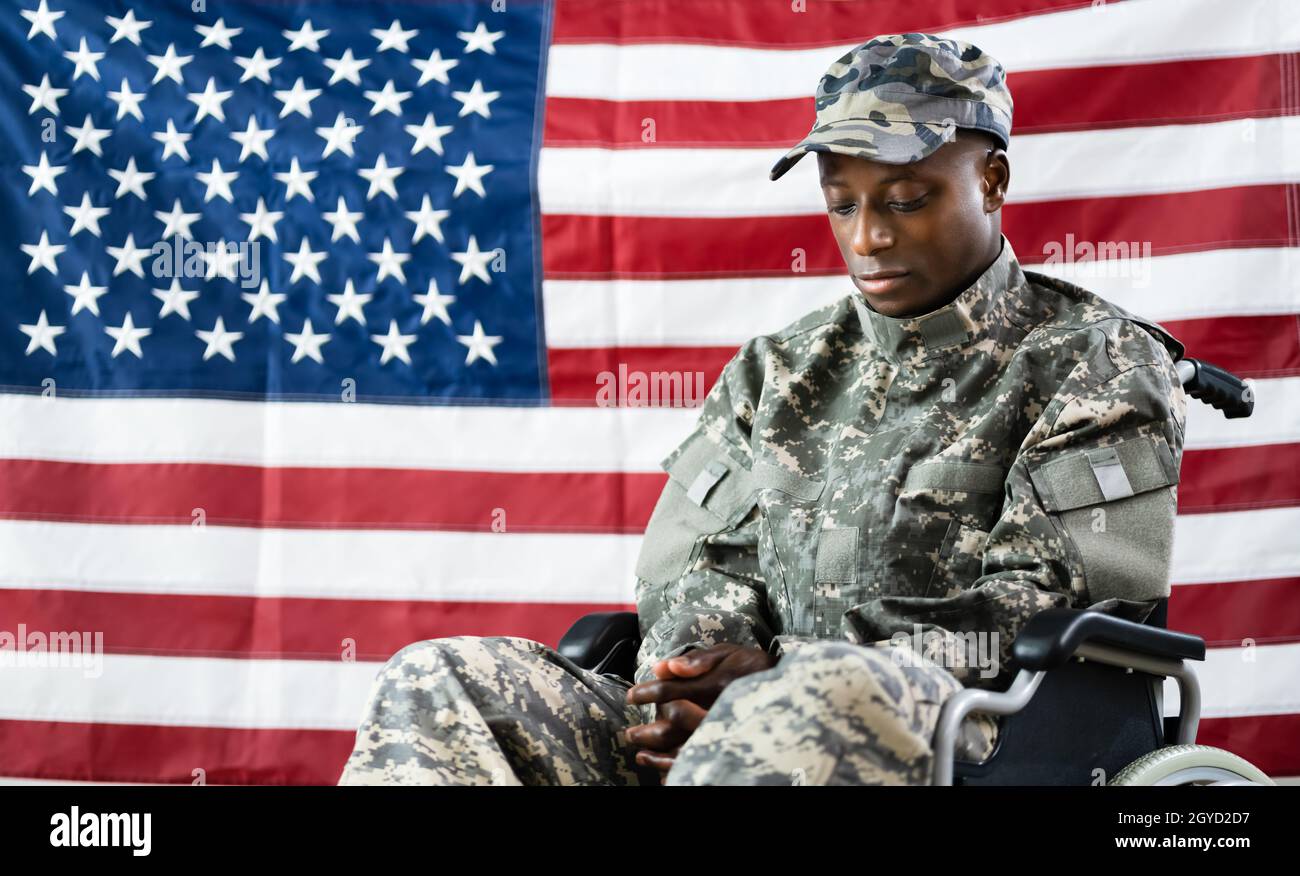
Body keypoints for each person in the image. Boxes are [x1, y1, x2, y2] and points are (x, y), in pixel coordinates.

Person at [337, 33, 1186, 787]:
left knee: (813, 700)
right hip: (742, 728)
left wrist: (773, 676)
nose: (868, 237)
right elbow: (699, 570)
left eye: (906, 198)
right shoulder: (776, 370)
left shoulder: (1095, 360)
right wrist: (692, 680)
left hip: (973, 733)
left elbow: (1033, 614)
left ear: (992, 178)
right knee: (447, 681)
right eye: (842, 203)